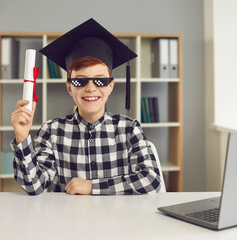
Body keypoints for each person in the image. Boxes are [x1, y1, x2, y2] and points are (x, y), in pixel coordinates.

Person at [10, 18, 162, 195]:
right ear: (69, 87)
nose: (90, 88)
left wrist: (92, 186)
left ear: (110, 86)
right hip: (67, 220)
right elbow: (33, 186)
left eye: (100, 80)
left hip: (118, 220)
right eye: (80, 81)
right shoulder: (52, 131)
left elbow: (151, 180)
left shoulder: (129, 129)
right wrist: (22, 138)